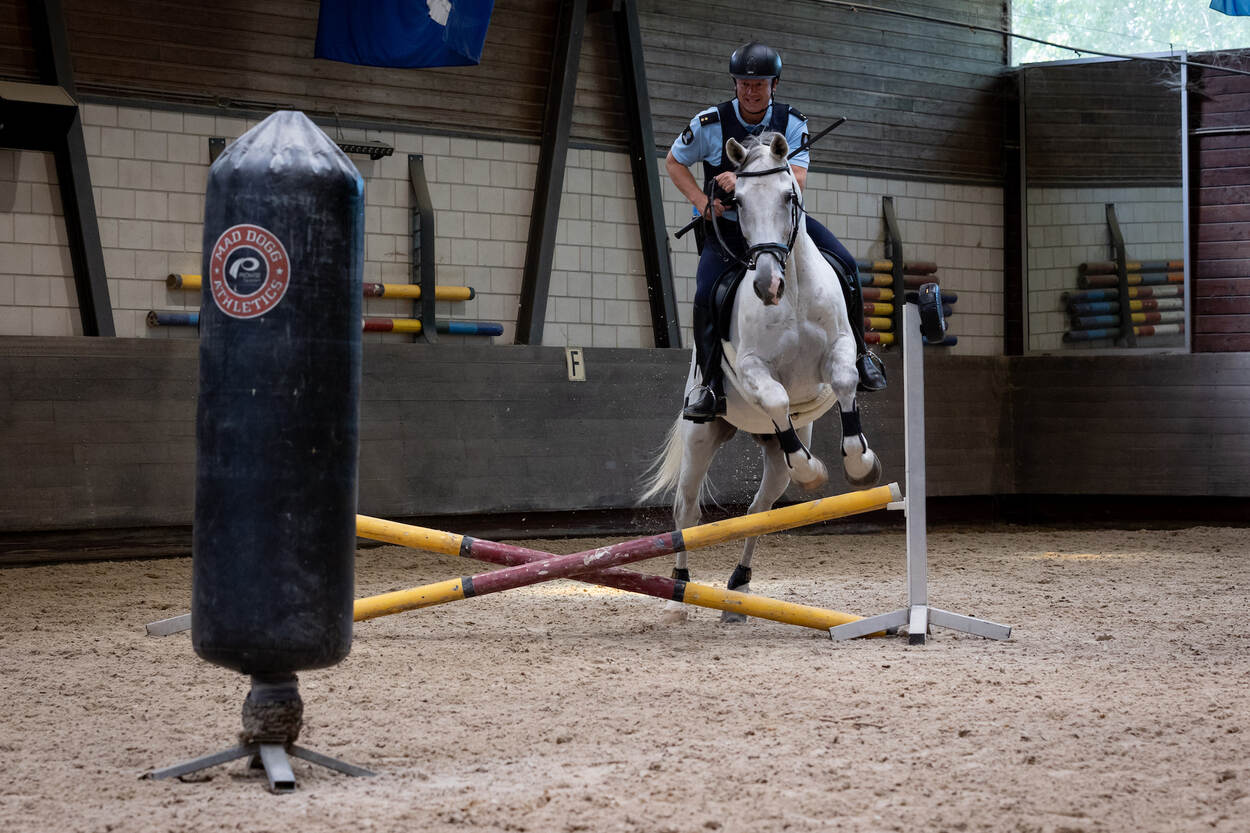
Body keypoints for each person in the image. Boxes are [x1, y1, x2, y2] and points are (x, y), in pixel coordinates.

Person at [666, 41, 887, 423]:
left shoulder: (793, 122)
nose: (751, 92)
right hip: (730, 231)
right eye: (744, 84)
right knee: (705, 293)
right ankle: (709, 385)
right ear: (735, 85)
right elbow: (674, 162)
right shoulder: (709, 123)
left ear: (774, 84)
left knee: (847, 264)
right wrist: (703, 201)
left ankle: (863, 357)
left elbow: (797, 178)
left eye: (760, 84)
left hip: (784, 228)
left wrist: (743, 177)